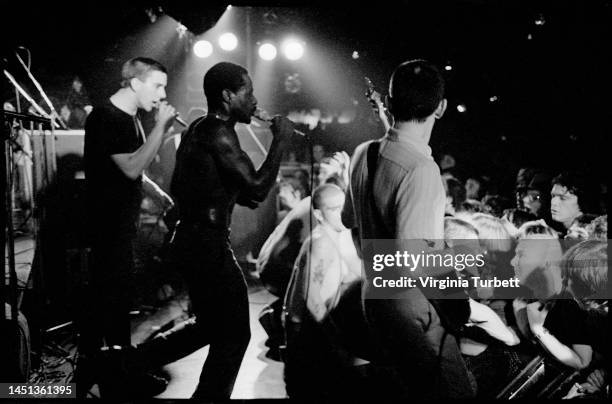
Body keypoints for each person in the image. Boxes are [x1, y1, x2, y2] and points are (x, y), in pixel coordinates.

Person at [343, 59, 475, 398]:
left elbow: (348, 220)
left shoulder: (365, 153)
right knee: (456, 393)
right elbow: (415, 261)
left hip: (373, 296)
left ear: (389, 102)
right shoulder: (421, 170)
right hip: (410, 306)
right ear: (441, 107)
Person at [167, 61, 293, 400]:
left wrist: (228, 195)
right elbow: (257, 188)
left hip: (192, 240)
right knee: (234, 334)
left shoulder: (198, 128)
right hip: (206, 244)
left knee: (210, 327)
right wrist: (280, 141)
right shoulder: (218, 131)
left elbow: (184, 184)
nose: (254, 102)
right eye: (247, 94)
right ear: (227, 96)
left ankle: (123, 362)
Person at [78, 57, 177, 398]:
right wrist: (160, 127)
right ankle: (112, 375)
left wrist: (157, 192)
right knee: (112, 300)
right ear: (135, 83)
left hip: (122, 220)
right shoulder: (106, 117)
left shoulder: (131, 117)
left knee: (111, 298)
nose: (162, 93)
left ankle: (101, 372)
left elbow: (135, 166)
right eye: (158, 85)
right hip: (107, 222)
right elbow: (131, 167)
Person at [283, 183, 364, 399]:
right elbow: (311, 297)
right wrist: (335, 338)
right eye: (334, 209)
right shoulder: (321, 243)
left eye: (344, 207)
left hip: (313, 329)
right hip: (307, 333)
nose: (342, 214)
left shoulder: (334, 237)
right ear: (319, 214)